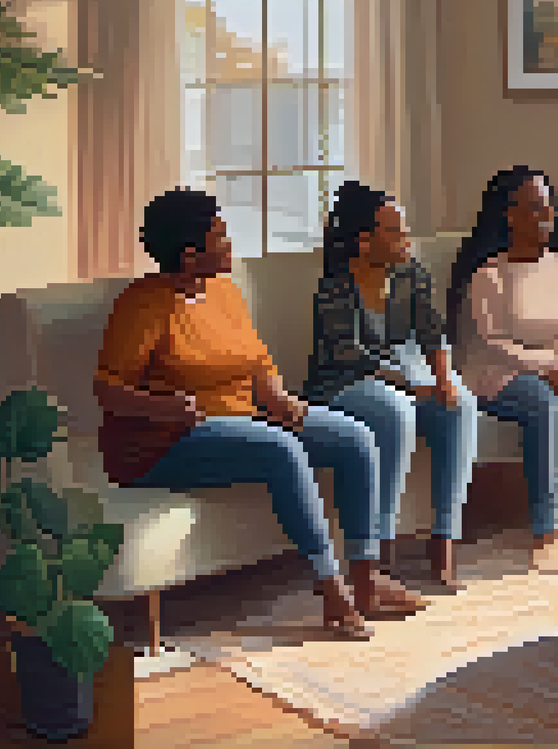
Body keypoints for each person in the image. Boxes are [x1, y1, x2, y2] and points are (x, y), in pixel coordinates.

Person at [96, 188, 422, 642]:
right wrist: (165, 406)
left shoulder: (224, 291)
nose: (230, 243)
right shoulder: (142, 305)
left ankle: (366, 579)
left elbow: (256, 358)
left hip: (246, 418)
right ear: (190, 256)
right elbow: (107, 390)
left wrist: (279, 397)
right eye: (220, 237)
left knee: (355, 438)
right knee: (282, 449)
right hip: (168, 441)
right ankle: (332, 590)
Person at [301, 181, 479, 590]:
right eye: (396, 232)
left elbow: (433, 332)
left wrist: (443, 379)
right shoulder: (335, 287)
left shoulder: (411, 275)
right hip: (343, 386)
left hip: (402, 379)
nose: (406, 240)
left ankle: (444, 538)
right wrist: (411, 386)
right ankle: (378, 549)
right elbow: (350, 355)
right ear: (365, 242)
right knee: (393, 408)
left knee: (460, 406)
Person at [445, 166, 558, 571]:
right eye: (534, 209)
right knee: (543, 404)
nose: (545, 216)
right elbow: (493, 341)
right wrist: (550, 370)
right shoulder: (489, 274)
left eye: (548, 207)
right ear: (509, 214)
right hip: (497, 373)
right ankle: (546, 529)